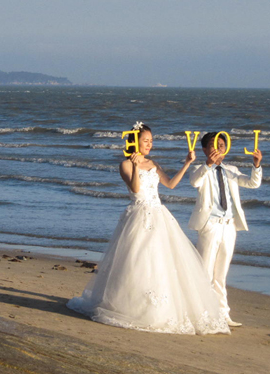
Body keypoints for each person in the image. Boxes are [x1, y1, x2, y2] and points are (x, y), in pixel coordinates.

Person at [67, 123, 230, 335]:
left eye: (151, 141)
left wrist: (187, 164)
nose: (150, 144)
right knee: (137, 261)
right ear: (135, 142)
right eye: (146, 140)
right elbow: (135, 189)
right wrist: (135, 166)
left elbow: (170, 184)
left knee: (161, 262)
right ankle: (131, 306)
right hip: (138, 215)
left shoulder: (153, 163)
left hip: (160, 215)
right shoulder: (125, 165)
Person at [189, 132, 262, 327]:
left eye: (221, 145)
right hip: (210, 225)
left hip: (229, 226)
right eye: (214, 146)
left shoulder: (231, 169)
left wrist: (256, 165)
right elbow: (194, 181)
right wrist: (208, 165)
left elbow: (253, 183)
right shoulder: (199, 168)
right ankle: (201, 312)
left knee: (221, 273)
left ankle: (223, 313)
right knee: (205, 270)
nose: (218, 149)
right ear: (205, 149)